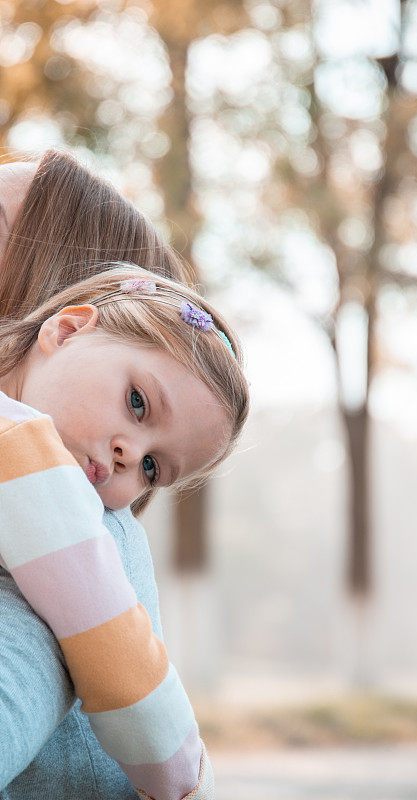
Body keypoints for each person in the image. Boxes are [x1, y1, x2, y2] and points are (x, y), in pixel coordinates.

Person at [0, 151, 227, 797]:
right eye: (135, 404)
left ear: (60, 319)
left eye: (155, 465)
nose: (132, 457)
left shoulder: (65, 512)